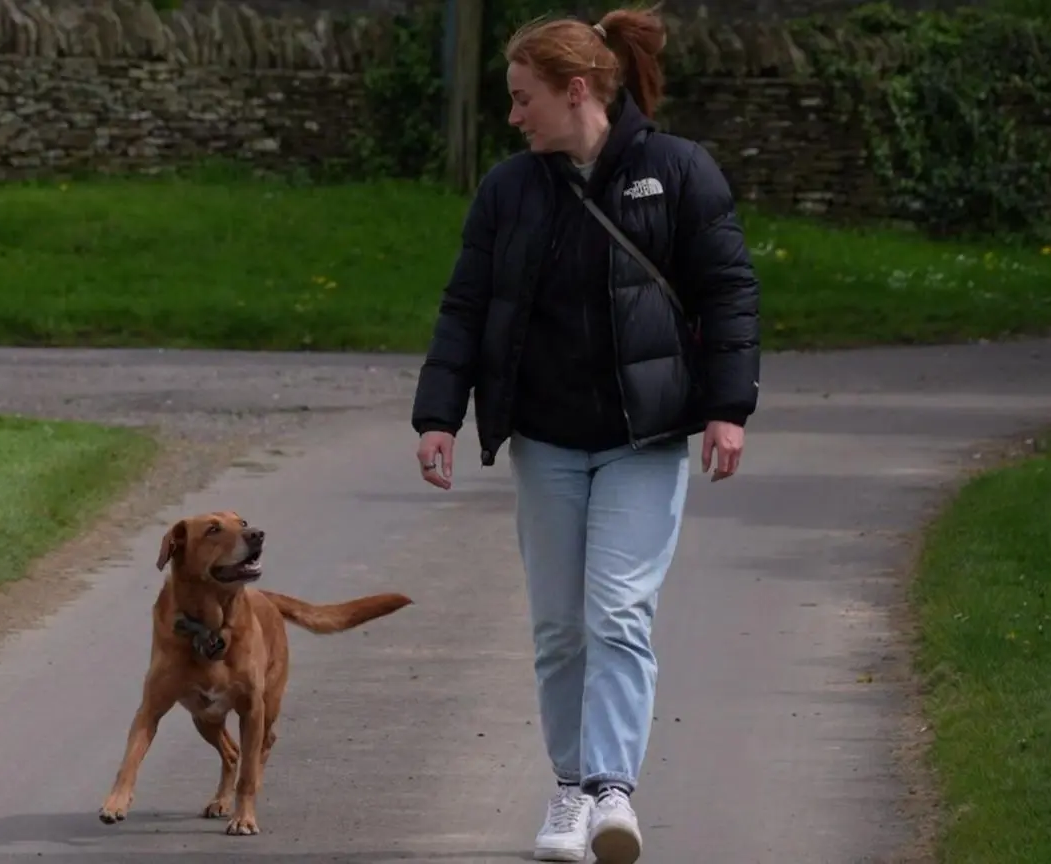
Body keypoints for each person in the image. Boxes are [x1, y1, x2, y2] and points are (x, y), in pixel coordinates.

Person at [408, 4, 762, 864]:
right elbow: (466, 306)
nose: (513, 114)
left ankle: (611, 792)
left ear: (576, 93)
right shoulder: (509, 190)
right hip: (549, 441)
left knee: (618, 614)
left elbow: (728, 292)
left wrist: (728, 406)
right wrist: (437, 414)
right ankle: (568, 790)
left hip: (645, 442)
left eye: (524, 97)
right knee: (560, 627)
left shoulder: (678, 173)